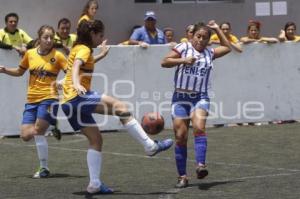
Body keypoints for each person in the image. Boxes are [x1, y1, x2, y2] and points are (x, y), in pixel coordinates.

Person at [61, 20, 173, 194]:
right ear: (92, 34)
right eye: (100, 35)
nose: (102, 38)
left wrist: (101, 55)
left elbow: (80, 62)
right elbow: (76, 67)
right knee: (122, 108)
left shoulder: (79, 49)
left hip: (67, 104)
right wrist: (76, 84)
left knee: (96, 140)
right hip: (78, 96)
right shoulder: (83, 49)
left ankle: (94, 184)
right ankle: (150, 146)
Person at [161, 20, 231, 188]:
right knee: (181, 137)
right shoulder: (183, 48)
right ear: (192, 36)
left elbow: (227, 47)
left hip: (200, 97)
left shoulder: (209, 53)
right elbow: (164, 62)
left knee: (199, 127)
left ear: (208, 40)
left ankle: (201, 165)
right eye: (198, 36)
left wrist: (216, 29)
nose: (200, 40)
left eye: (205, 38)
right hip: (180, 98)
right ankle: (182, 176)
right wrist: (183, 60)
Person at [0, 25, 67, 178]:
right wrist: (4, 70)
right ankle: (51, 125)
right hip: (32, 99)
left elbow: (71, 73)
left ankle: (44, 168)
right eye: (46, 37)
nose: (49, 40)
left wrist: (61, 82)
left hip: (50, 98)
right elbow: (19, 71)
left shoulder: (58, 56)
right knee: (25, 136)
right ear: (39, 38)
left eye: (51, 37)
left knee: (38, 131)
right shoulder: (30, 54)